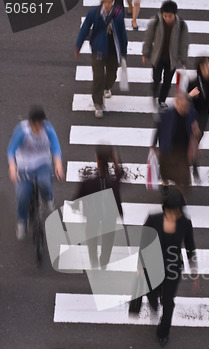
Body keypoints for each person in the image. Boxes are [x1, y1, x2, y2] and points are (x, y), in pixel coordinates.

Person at [143, 188, 198, 346]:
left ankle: (163, 332)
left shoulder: (185, 224)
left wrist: (194, 272)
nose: (173, 215)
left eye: (176, 212)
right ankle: (153, 301)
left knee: (168, 301)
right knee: (152, 293)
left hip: (173, 268)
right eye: (170, 211)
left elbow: (190, 247)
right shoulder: (153, 219)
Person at [7, 105, 64, 240]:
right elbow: (11, 149)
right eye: (36, 124)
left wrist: (58, 163)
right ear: (31, 122)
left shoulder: (48, 129)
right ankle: (22, 221)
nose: (39, 127)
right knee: (22, 195)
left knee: (45, 182)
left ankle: (48, 198)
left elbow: (55, 146)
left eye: (41, 123)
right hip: (24, 167)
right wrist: (12, 166)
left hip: (42, 164)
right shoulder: (22, 130)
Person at [75, 0, 128, 118]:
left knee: (112, 74)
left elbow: (122, 32)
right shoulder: (94, 13)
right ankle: (98, 104)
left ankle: (106, 87)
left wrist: (124, 51)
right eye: (106, 2)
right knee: (98, 76)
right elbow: (85, 28)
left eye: (110, 2)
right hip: (98, 48)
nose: (108, 4)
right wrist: (78, 45)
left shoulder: (118, 13)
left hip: (114, 49)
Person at [74, 145, 124, 269]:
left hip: (93, 217)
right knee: (108, 242)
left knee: (92, 241)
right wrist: (116, 161)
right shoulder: (113, 182)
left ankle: (94, 263)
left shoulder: (88, 183)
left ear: (96, 159)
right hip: (109, 216)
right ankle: (104, 263)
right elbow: (120, 173)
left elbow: (76, 199)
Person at [151, 91, 199, 196]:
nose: (184, 108)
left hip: (182, 148)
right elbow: (158, 129)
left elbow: (194, 121)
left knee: (182, 174)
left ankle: (180, 192)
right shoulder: (167, 114)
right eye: (182, 105)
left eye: (186, 105)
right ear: (176, 103)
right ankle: (165, 184)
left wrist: (195, 128)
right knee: (165, 169)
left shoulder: (190, 112)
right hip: (168, 147)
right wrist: (153, 144)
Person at [142, 0, 189, 108]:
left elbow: (184, 43)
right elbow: (148, 38)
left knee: (167, 82)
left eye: (170, 16)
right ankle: (154, 91)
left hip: (171, 59)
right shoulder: (155, 22)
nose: (168, 18)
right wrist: (145, 53)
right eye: (165, 16)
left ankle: (161, 100)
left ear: (175, 14)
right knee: (156, 78)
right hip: (157, 57)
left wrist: (183, 58)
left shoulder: (181, 25)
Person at [188, 56, 209, 179]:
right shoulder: (193, 83)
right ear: (200, 68)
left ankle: (193, 160)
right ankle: (191, 162)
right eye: (205, 66)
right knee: (190, 138)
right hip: (191, 113)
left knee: (197, 139)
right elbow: (186, 102)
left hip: (203, 114)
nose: (208, 69)